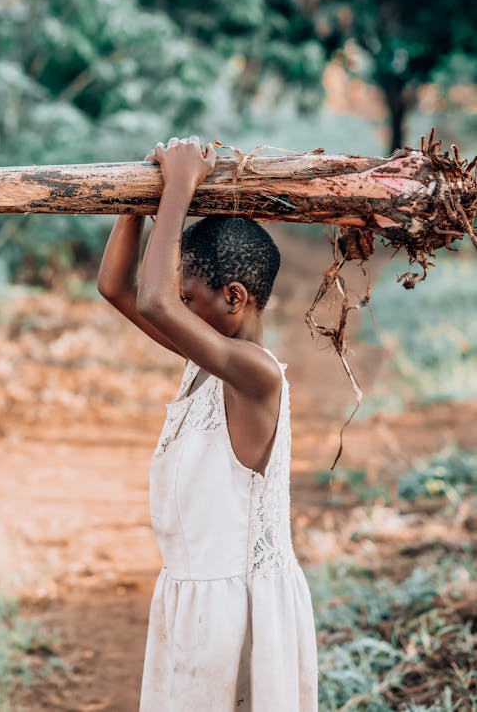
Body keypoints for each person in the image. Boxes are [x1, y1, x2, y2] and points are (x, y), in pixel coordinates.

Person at [97, 135, 318, 711]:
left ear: (234, 297)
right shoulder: (209, 364)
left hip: (237, 610)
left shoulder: (254, 373)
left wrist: (181, 187)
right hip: (196, 599)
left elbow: (152, 302)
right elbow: (118, 289)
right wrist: (137, 200)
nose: (179, 312)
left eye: (189, 298)